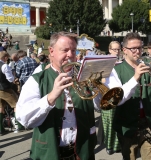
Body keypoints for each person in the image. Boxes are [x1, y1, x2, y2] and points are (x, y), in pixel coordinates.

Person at [16, 32, 96, 160]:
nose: (70, 55)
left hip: (82, 152)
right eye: (65, 50)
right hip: (49, 153)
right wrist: (51, 97)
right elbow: (24, 119)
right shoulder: (37, 80)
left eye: (73, 50)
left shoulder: (84, 77)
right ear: (52, 51)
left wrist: (97, 85)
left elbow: (99, 106)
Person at [94, 33, 151, 160]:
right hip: (127, 126)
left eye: (140, 47)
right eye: (133, 48)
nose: (138, 51)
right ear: (124, 50)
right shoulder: (115, 71)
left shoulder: (148, 66)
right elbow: (117, 100)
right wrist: (136, 77)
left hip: (149, 124)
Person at [100, 41, 122, 155]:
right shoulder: (104, 63)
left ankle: (117, 146)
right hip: (107, 95)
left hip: (119, 95)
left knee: (118, 121)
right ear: (109, 50)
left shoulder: (121, 63)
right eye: (114, 49)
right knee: (109, 123)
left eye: (118, 49)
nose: (117, 51)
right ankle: (109, 146)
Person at [0, 51, 22, 135]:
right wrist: (14, 79)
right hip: (5, 89)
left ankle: (1, 129)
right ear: (5, 57)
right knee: (16, 104)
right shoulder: (4, 66)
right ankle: (18, 126)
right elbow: (10, 79)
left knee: (1, 107)